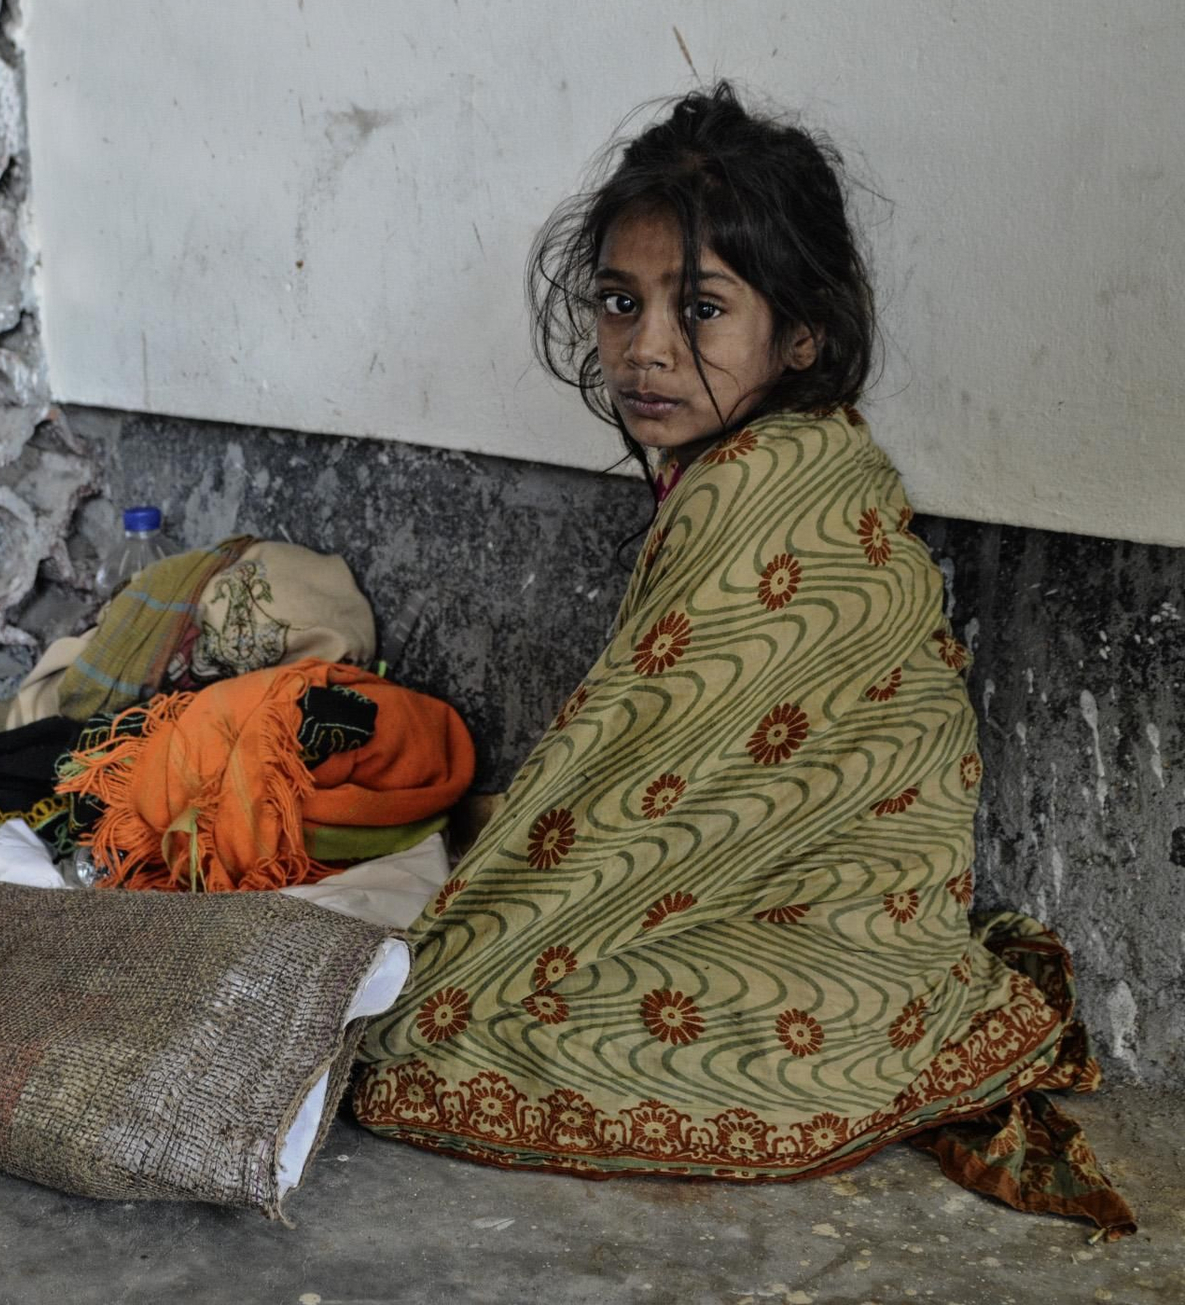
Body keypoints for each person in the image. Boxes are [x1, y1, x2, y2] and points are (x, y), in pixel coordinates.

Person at [353, 83, 1133, 1237]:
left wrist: (469, 922)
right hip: (876, 928)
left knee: (428, 1028)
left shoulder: (759, 490)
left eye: (699, 310)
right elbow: (654, 752)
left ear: (800, 332)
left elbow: (621, 780)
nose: (643, 350)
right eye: (619, 303)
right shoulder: (804, 455)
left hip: (826, 939)